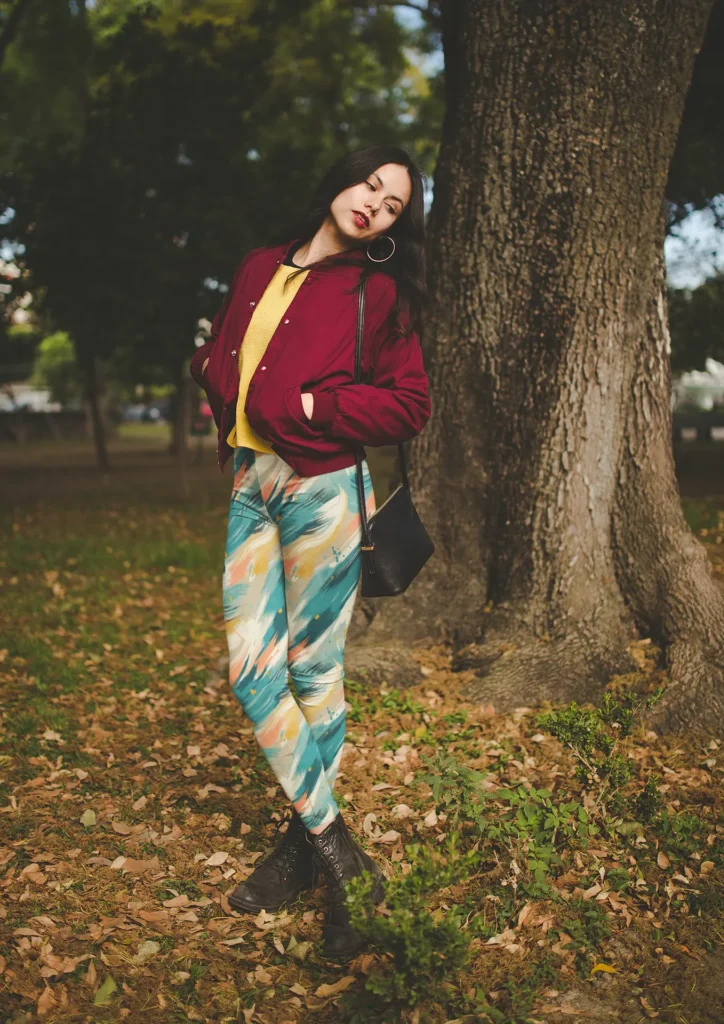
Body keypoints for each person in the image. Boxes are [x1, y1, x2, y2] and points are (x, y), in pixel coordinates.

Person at [189, 145, 431, 960]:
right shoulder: (261, 265)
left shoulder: (378, 291)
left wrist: (308, 402)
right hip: (253, 486)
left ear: (394, 227)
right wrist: (217, 383)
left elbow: (410, 402)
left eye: (393, 204)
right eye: (371, 184)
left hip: (325, 492)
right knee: (252, 672)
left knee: (312, 673)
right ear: (342, 176)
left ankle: (306, 855)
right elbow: (224, 349)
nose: (374, 204)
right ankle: (340, 856)